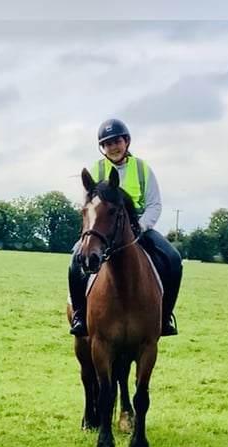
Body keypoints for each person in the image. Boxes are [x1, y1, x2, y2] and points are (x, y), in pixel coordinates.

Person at [68, 118, 182, 337]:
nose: (113, 147)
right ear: (103, 148)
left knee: (173, 258)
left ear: (126, 141)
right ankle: (80, 315)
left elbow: (154, 204)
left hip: (138, 227)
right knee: (75, 260)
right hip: (104, 229)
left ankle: (164, 317)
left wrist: (141, 225)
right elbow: (89, 205)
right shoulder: (97, 169)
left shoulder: (142, 168)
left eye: (116, 141)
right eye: (107, 144)